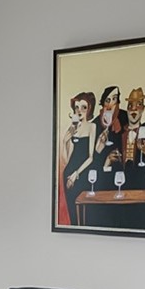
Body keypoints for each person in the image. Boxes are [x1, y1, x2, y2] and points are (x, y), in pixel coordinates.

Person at [58, 91, 96, 224]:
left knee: (84, 211)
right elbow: (67, 158)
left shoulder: (92, 126)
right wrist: (65, 141)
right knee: (73, 214)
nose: (79, 111)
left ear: (89, 109)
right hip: (69, 173)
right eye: (77, 107)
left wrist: (76, 174)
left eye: (83, 107)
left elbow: (91, 157)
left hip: (82, 173)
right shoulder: (73, 128)